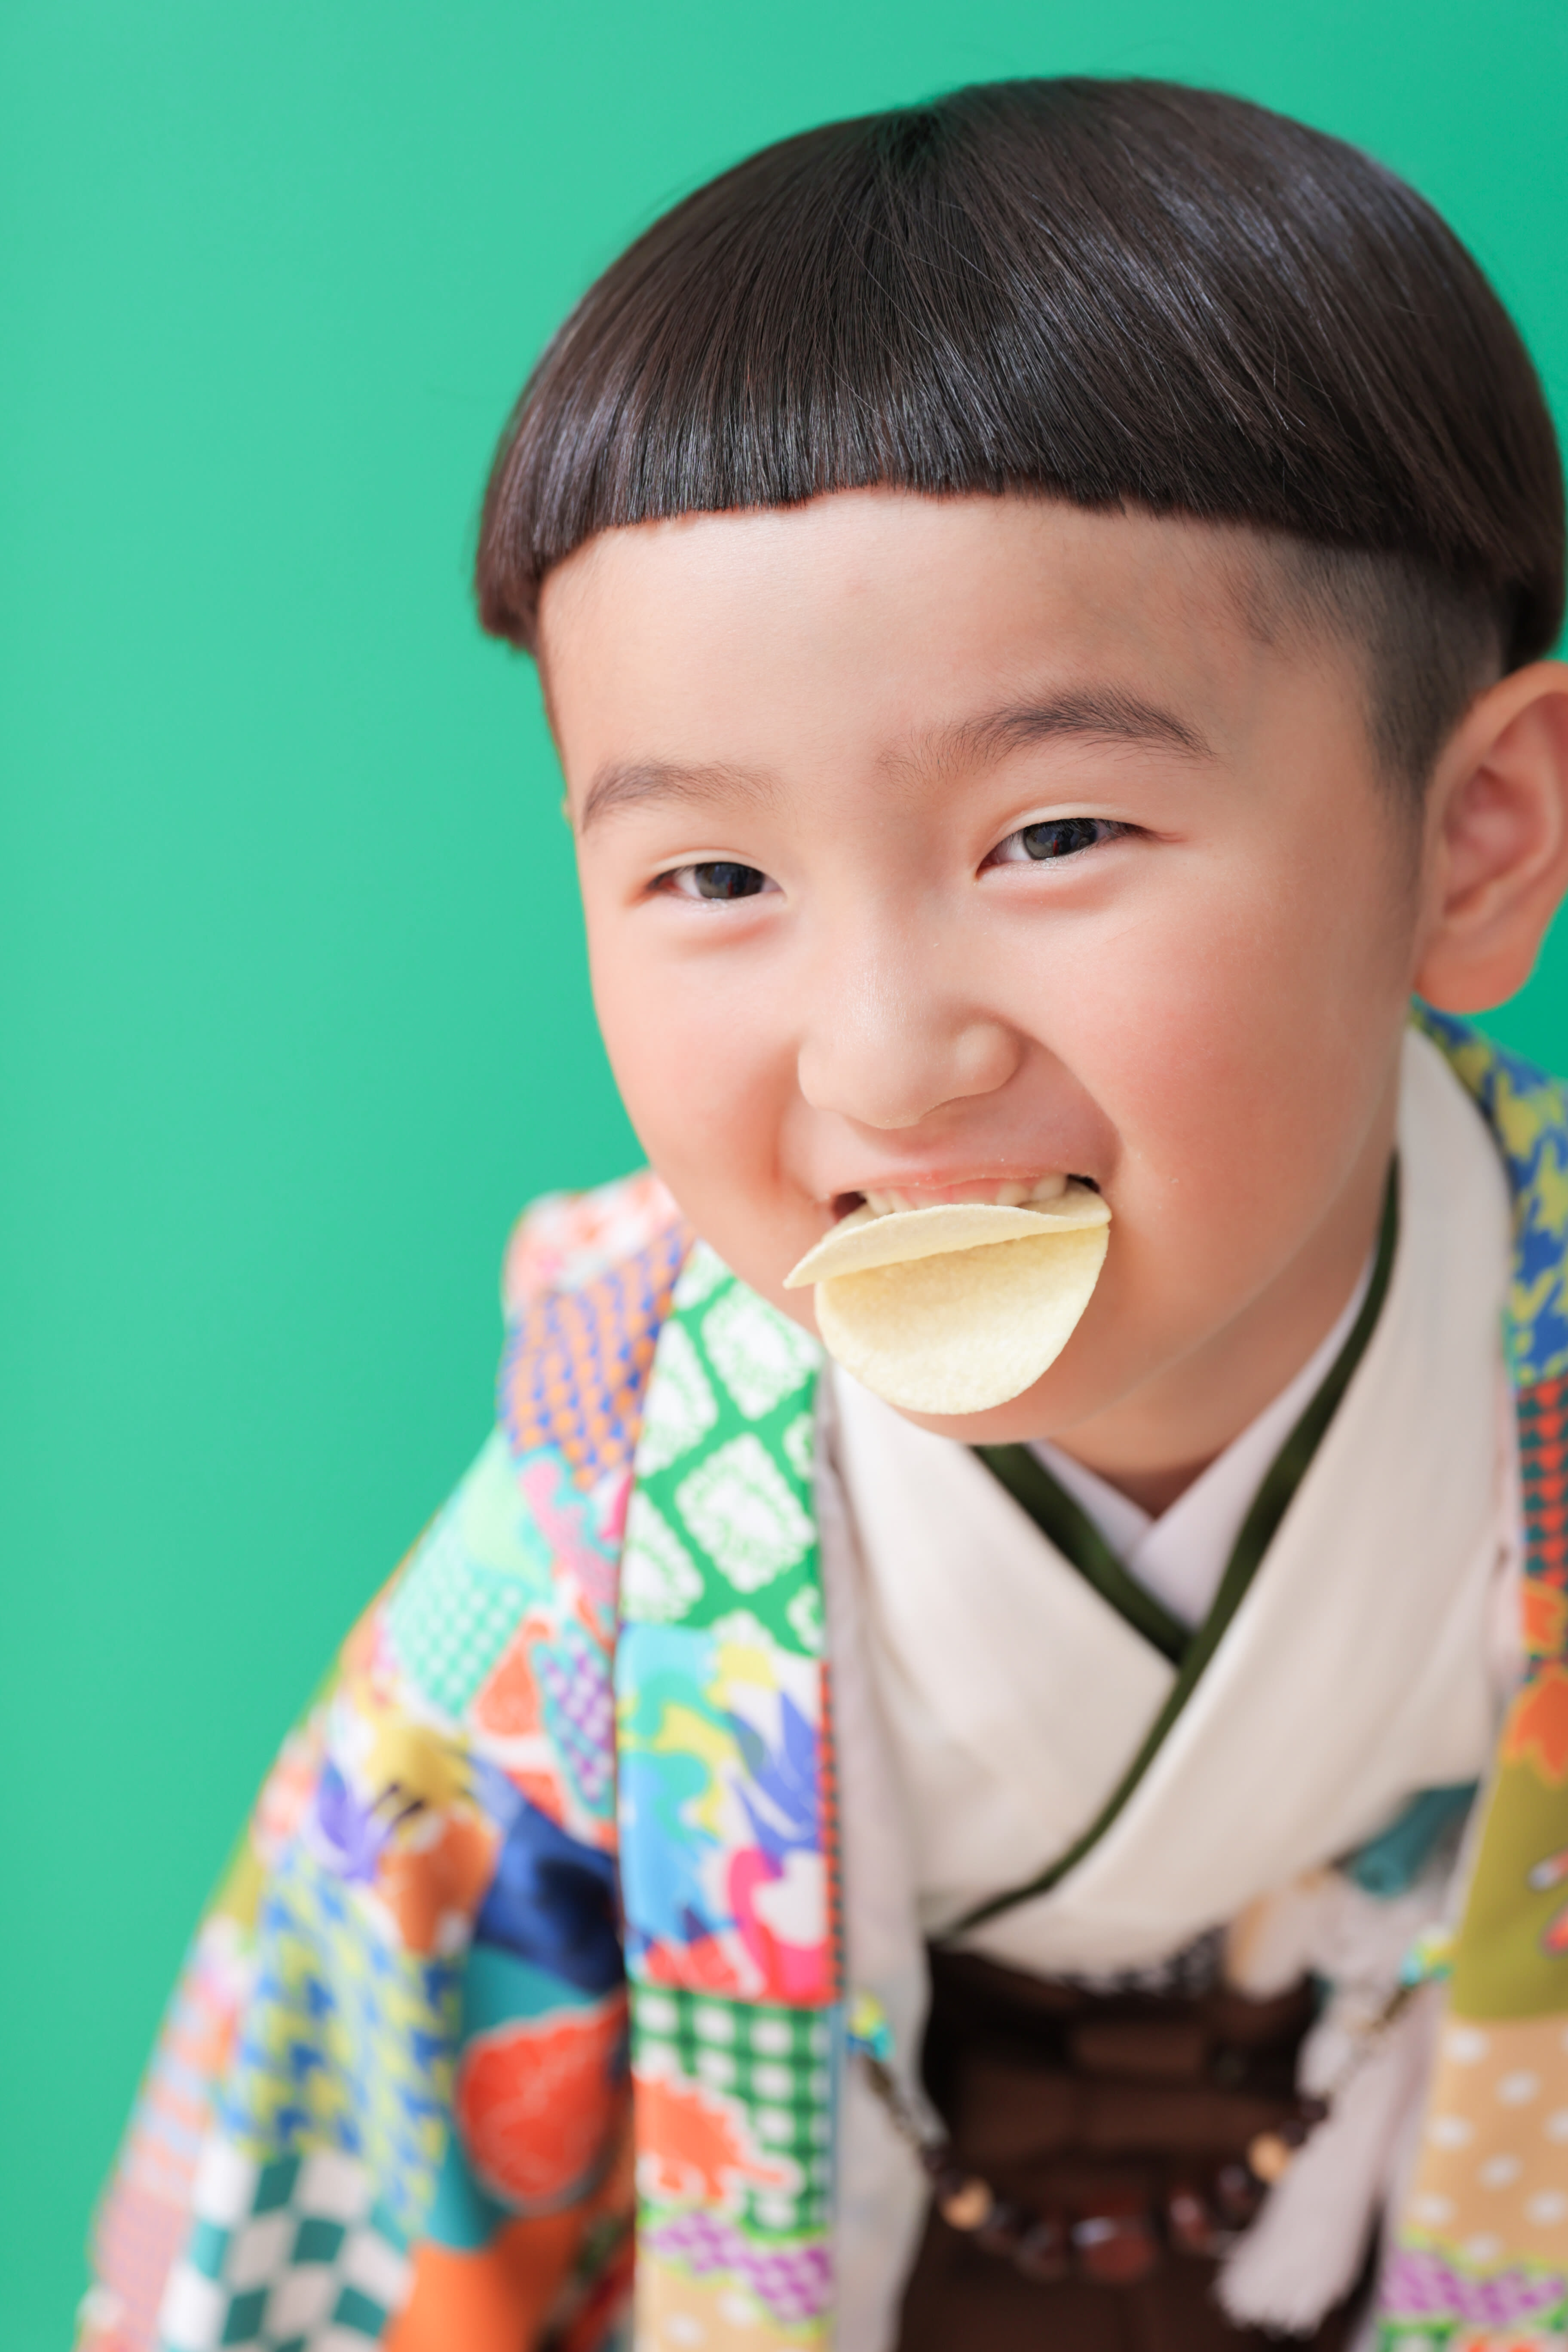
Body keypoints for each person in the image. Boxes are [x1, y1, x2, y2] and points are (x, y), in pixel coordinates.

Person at [80, 77, 1568, 2352]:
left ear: (1470, 845)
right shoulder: (584, 1565)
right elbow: (354, 2149)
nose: (884, 1055)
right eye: (713, 878)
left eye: (1055, 834)